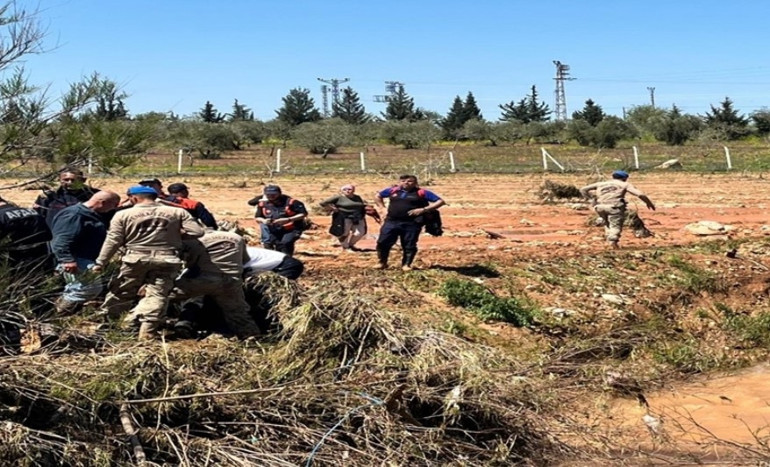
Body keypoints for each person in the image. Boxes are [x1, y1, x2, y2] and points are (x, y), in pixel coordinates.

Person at [92, 185, 204, 340]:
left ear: (134, 198)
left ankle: (109, 326)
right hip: (166, 259)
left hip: (135, 258)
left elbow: (113, 240)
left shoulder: (123, 214)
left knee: (122, 292)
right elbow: (197, 232)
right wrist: (175, 237)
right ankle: (147, 331)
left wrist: (101, 262)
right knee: (157, 295)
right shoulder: (177, 212)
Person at [171, 230, 261, 339]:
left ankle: (150, 329)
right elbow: (245, 259)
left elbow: (190, 264)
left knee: (161, 295)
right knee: (237, 311)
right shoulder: (236, 237)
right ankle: (251, 336)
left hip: (204, 279)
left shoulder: (194, 241)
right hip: (231, 281)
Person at [50, 191, 121, 314]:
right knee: (89, 288)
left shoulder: (91, 214)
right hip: (76, 258)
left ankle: (63, 312)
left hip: (86, 257)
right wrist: (67, 260)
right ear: (103, 203)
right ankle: (59, 311)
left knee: (78, 287)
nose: (113, 209)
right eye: (113, 205)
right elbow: (61, 239)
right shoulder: (74, 215)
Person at [374, 175, 445, 271]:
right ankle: (382, 263)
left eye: (409, 181)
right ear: (399, 182)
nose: (406, 183)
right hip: (392, 221)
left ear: (415, 183)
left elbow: (440, 201)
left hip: (411, 223)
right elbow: (378, 195)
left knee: (409, 244)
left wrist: (423, 209)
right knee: (383, 242)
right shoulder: (393, 190)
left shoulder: (421, 192)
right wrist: (382, 208)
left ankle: (406, 265)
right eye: (403, 181)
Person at [580, 170, 656, 249]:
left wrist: (591, 199)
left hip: (600, 207)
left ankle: (608, 241)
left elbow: (583, 189)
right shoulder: (624, 184)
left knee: (607, 224)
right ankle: (612, 242)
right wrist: (648, 203)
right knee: (615, 225)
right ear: (625, 178)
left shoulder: (601, 184)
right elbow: (640, 194)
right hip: (614, 207)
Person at [247, 185, 308, 256]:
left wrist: (288, 219)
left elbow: (303, 214)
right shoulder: (263, 203)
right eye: (268, 194)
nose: (271, 196)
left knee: (286, 243)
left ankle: (287, 261)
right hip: (274, 229)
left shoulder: (291, 202)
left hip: (292, 228)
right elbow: (258, 217)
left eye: (273, 194)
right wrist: (264, 221)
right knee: (276, 245)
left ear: (279, 193)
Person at [0, 196, 53, 273]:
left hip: (14, 264)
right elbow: (48, 235)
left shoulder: (1, 216)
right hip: (41, 260)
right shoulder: (33, 212)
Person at [34, 168, 100, 228]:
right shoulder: (49, 196)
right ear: (59, 180)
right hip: (55, 234)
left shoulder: (94, 195)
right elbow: (38, 216)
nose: (70, 183)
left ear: (83, 180)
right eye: (66, 180)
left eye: (73, 180)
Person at [319, 184, 371, 252]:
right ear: (341, 191)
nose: (347, 191)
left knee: (360, 233)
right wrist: (332, 208)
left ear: (353, 190)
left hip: (357, 217)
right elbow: (323, 203)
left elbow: (360, 205)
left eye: (349, 189)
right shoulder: (338, 197)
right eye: (345, 189)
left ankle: (351, 245)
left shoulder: (357, 197)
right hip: (343, 217)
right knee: (344, 233)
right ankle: (345, 247)